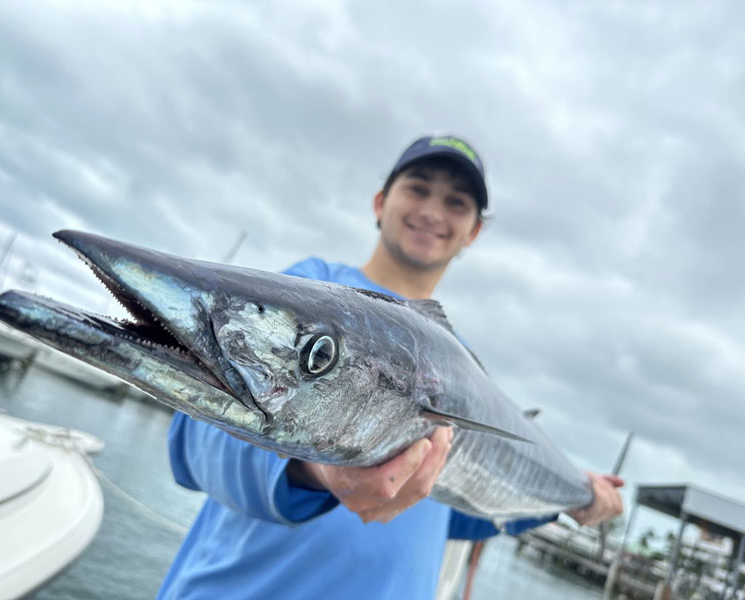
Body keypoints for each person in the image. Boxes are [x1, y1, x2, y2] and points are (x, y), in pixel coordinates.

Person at [157, 135, 624, 600]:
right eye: (418, 188)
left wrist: (576, 499)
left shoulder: (465, 367)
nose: (433, 211)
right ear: (381, 202)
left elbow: (458, 509)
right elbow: (195, 435)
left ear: (473, 233)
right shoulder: (312, 290)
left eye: (456, 202)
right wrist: (314, 471)